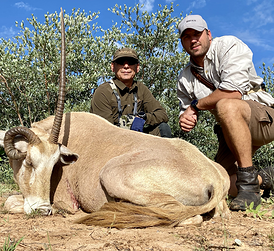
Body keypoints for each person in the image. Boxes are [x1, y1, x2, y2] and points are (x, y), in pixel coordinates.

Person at [177, 14, 274, 211]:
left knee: (226, 105)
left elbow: (233, 92)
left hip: (264, 119)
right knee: (217, 183)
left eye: (197, 33)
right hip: (231, 131)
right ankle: (264, 178)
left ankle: (248, 188)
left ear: (208, 34)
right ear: (182, 42)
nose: (193, 39)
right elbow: (185, 111)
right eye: (187, 36)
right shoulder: (184, 78)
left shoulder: (229, 45)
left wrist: (195, 106)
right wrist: (185, 119)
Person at [90, 47, 172, 138]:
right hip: (113, 141)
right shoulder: (103, 92)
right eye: (121, 62)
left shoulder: (141, 88)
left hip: (137, 138)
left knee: (163, 128)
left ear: (137, 68)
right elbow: (104, 131)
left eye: (131, 63)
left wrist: (144, 118)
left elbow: (162, 115)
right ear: (113, 67)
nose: (126, 66)